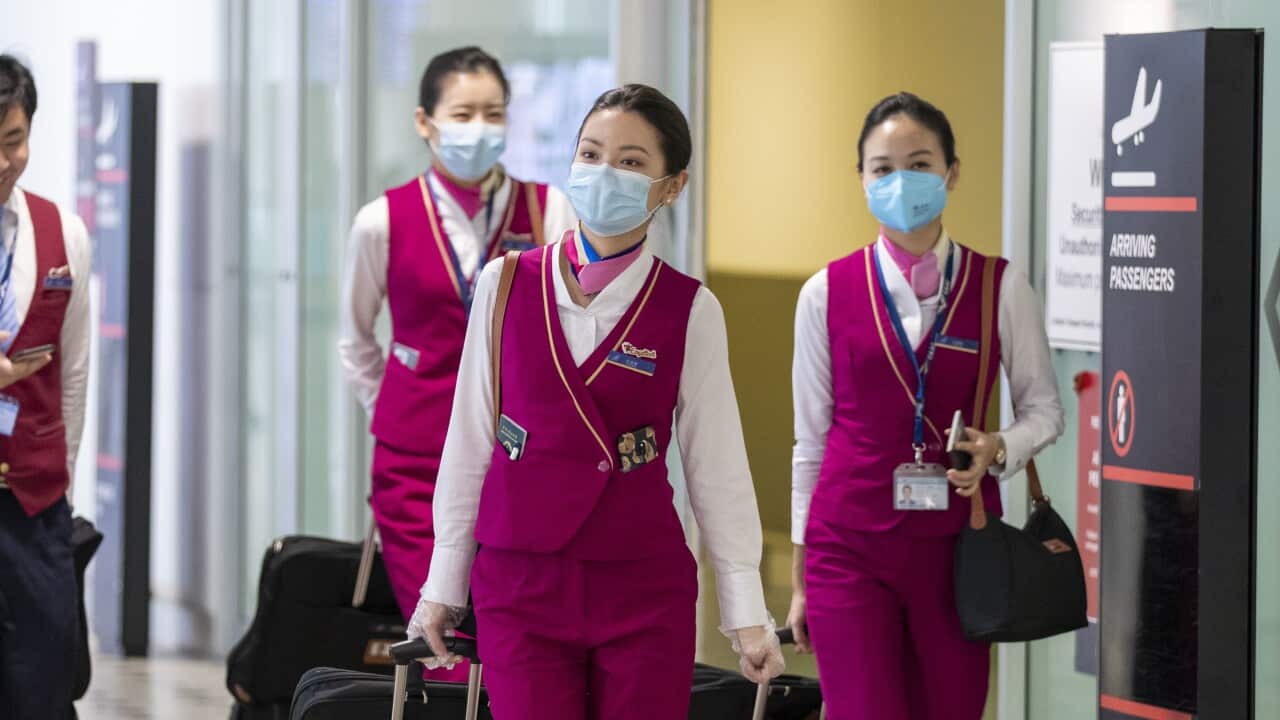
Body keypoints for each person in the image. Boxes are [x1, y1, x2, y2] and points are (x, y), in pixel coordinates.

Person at [408, 83, 785, 719]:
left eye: (632, 162)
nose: (605, 172)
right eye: (591, 154)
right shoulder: (505, 284)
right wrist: (443, 584)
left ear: (672, 186)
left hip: (641, 587)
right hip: (519, 583)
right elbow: (471, 439)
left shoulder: (689, 308)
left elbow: (715, 468)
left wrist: (747, 612)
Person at [786, 92, 1064, 719]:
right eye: (882, 168)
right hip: (847, 547)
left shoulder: (1000, 285)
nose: (900, 181)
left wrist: (1001, 448)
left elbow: (1045, 409)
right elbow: (809, 443)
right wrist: (801, 578)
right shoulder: (824, 294)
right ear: (860, 179)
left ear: (951, 172)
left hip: (959, 552)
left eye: (918, 162)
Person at [338, 46, 575, 679]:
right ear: (425, 121)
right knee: (444, 641)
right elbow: (356, 342)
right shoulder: (382, 220)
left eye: (493, 113)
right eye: (463, 112)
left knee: (510, 632)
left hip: (514, 461)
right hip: (414, 464)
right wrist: (395, 411)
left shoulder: (547, 210)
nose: (479, 127)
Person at [0, 54, 92, 720]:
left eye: (13, 141)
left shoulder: (66, 234)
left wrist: (62, 478)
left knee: (43, 680)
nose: (5, 161)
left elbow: (76, 369)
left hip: (34, 505)